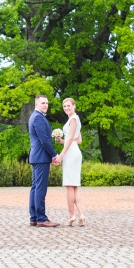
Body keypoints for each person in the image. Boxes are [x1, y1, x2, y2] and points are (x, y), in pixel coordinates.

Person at [28, 94, 61, 228]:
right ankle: (41, 218)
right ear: (36, 104)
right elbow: (44, 140)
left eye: (47, 103)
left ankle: (34, 217)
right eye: (43, 103)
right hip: (41, 157)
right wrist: (54, 155)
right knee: (40, 188)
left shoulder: (35, 117)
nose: (46, 105)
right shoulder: (38, 118)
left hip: (37, 156)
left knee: (35, 188)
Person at [57, 97, 85, 226]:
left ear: (74, 105)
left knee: (69, 186)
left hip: (70, 154)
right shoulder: (74, 119)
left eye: (68, 106)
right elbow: (77, 140)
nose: (66, 108)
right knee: (74, 186)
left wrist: (61, 155)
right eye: (64, 107)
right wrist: (61, 141)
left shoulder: (73, 119)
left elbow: (71, 140)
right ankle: (81, 215)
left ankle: (71, 215)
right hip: (74, 151)